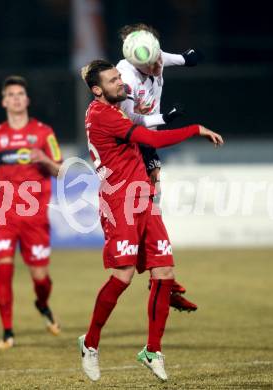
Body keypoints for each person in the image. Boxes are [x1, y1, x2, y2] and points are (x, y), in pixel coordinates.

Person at [78, 60, 223, 382]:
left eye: (120, 77)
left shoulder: (116, 110)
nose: (121, 83)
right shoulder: (102, 115)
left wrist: (151, 165)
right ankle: (89, 344)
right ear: (97, 90)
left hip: (143, 198)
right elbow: (152, 139)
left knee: (165, 270)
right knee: (123, 275)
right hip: (120, 203)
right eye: (114, 80)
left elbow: (142, 139)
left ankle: (153, 351)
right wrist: (194, 129)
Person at [116, 23, 201, 312]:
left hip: (147, 142)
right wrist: (164, 117)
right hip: (131, 144)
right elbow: (129, 125)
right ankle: (162, 278)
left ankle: (162, 276)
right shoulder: (125, 79)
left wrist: (190, 58)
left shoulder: (152, 54)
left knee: (153, 207)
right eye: (151, 63)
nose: (157, 65)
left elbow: (179, 57)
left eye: (158, 58)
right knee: (145, 212)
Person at [0, 76, 62, 349]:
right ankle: (8, 332)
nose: (15, 98)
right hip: (4, 214)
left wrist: (44, 159)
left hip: (35, 217)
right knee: (3, 270)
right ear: (3, 101)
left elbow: (60, 168)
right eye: (10, 94)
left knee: (41, 280)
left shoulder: (44, 133)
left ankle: (43, 304)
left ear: (27, 100)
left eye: (20, 93)